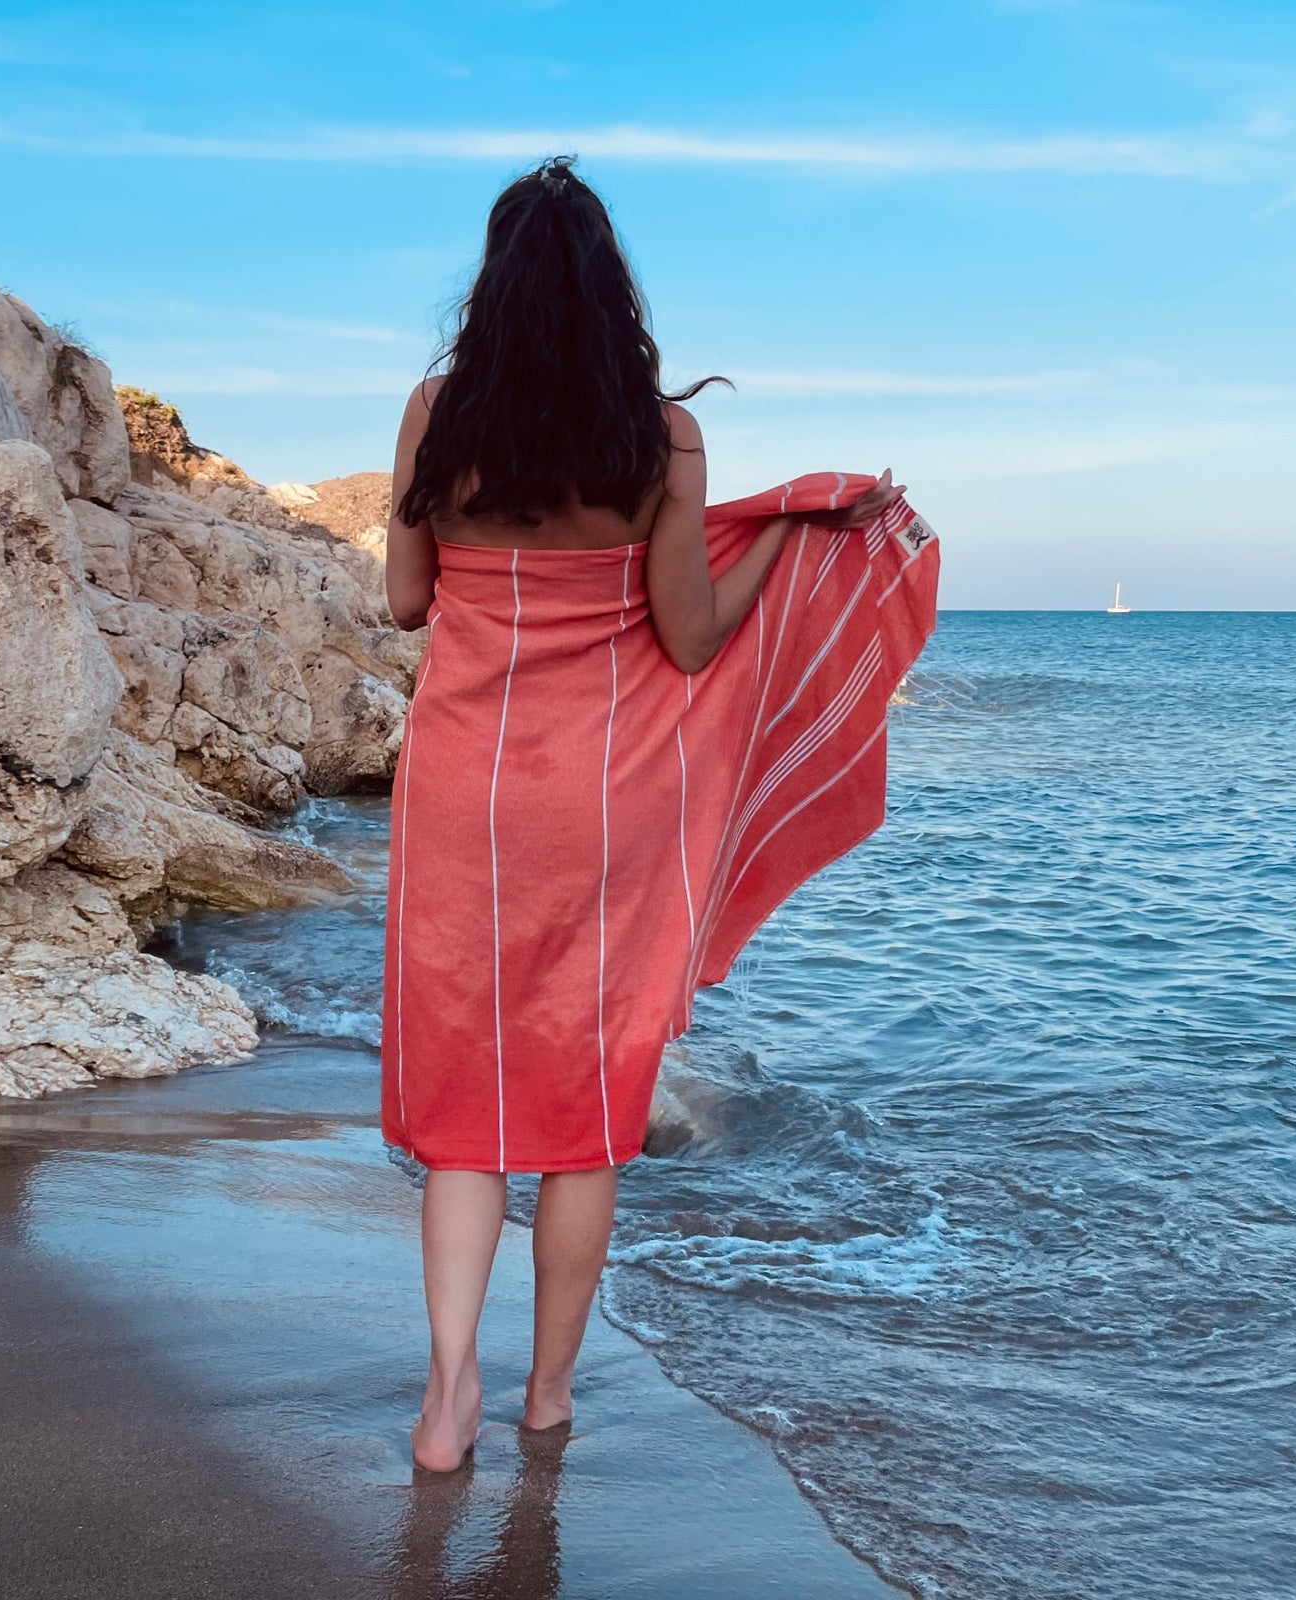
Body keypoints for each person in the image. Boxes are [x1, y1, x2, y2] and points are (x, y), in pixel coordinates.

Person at [384, 157, 938, 1473]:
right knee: (581, 1114)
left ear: (494, 284)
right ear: (609, 293)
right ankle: (549, 1397)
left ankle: (447, 1399)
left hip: (466, 792)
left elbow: (407, 603)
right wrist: (790, 546)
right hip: (607, 807)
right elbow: (690, 642)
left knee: (469, 1105)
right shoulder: (664, 442)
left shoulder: (432, 416)